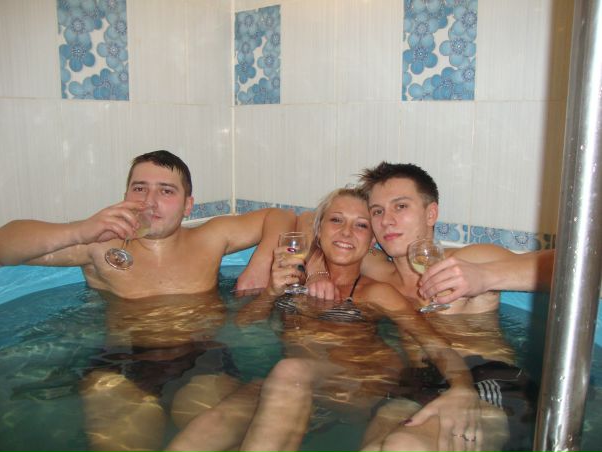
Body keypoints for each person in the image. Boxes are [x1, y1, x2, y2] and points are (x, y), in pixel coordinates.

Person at [166, 188, 509, 452]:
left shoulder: (375, 293)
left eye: (361, 225)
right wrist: (271, 292)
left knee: (290, 370)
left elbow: (433, 342)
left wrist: (462, 388)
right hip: (297, 389)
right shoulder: (294, 279)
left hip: (356, 391)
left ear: (372, 241)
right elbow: (242, 327)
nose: (346, 232)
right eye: (336, 221)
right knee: (214, 421)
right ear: (318, 230)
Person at [0, 150, 296, 451]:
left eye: (166, 191)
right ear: (125, 196)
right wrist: (80, 231)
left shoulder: (209, 238)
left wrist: (261, 264)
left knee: (211, 441)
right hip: (121, 363)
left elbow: (280, 216)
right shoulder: (98, 245)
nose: (149, 201)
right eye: (139, 188)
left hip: (202, 359)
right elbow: (3, 246)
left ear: (188, 205)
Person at [302, 161, 555, 313]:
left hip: (482, 374)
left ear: (431, 214)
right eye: (377, 211)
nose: (387, 220)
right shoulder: (374, 265)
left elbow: (566, 266)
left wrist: (485, 277)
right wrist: (317, 272)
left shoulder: (468, 261)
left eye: (401, 206)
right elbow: (307, 222)